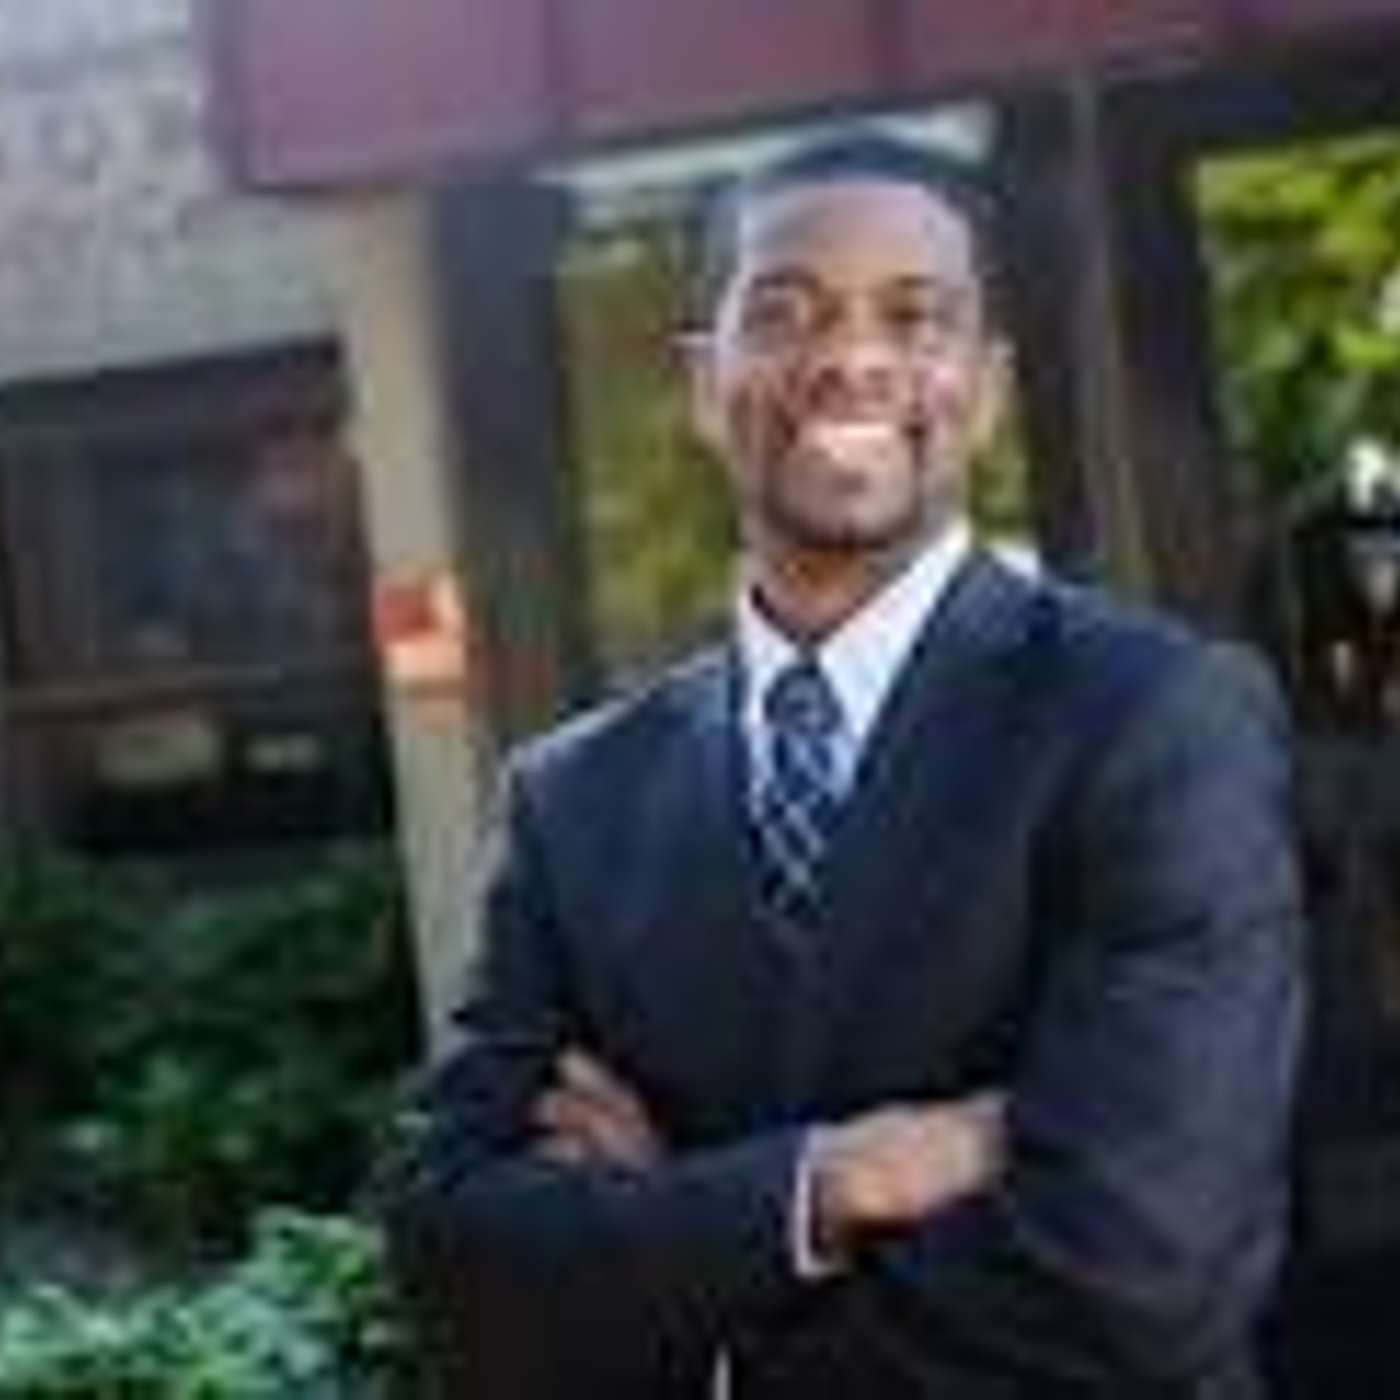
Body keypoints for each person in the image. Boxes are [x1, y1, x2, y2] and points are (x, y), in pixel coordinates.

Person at [379, 133, 1304, 1398]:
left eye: (913, 316)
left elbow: (1141, 1269)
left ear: (983, 388)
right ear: (703, 383)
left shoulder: (1151, 717)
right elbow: (456, 1265)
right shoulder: (571, 798)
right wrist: (828, 1183)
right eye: (784, 312)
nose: (849, 358)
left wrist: (690, 1288)